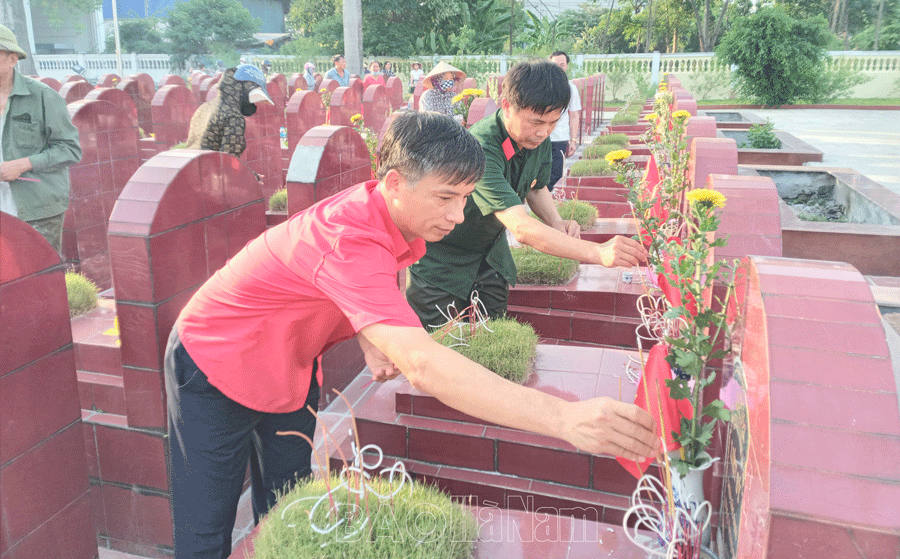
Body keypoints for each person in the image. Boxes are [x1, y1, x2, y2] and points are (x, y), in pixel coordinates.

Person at [165, 110, 657, 559]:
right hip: (214, 362)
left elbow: (369, 279)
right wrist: (564, 417)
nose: (458, 215)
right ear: (396, 182)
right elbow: (421, 362)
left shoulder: (391, 213)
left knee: (290, 505)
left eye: (465, 197)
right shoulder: (350, 237)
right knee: (206, 528)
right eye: (446, 197)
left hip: (289, 364)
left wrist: (370, 335)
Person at [407, 60, 647, 328]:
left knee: (493, 338)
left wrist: (556, 222)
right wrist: (597, 253)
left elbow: (535, 186)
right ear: (508, 106)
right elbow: (521, 228)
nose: (544, 132)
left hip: (490, 257)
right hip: (444, 262)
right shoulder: (481, 147)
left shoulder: (535, 139)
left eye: (553, 122)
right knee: (442, 350)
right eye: (536, 122)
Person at [0, 24, 81, 253]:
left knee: (39, 278)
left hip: (37, 207)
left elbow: (70, 149)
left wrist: (23, 164)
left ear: (12, 59)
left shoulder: (43, 97)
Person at [547, 51, 582, 191]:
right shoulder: (541, 86)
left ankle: (541, 196)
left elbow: (574, 116)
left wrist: (573, 140)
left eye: (562, 65)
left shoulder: (571, 89)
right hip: (540, 138)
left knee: (556, 172)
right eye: (555, 65)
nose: (558, 68)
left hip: (560, 137)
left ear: (566, 66)